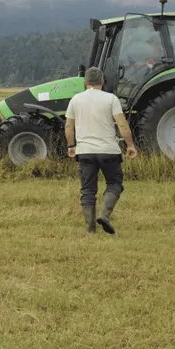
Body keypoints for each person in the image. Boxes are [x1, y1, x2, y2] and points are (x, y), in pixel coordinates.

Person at [64, 66, 138, 234]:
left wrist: (71, 146)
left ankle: (90, 229)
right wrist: (130, 145)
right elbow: (122, 124)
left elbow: (69, 126)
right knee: (114, 183)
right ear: (103, 82)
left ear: (85, 82)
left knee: (88, 190)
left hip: (84, 151)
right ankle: (104, 215)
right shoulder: (111, 99)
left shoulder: (76, 99)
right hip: (109, 151)